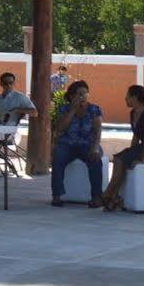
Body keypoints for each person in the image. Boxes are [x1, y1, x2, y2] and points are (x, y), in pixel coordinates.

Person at [103, 83, 144, 211]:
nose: (125, 98)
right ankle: (114, 197)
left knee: (120, 160)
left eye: (128, 96)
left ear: (135, 97)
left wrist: (141, 160)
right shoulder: (133, 113)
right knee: (119, 160)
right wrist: (130, 153)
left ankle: (107, 195)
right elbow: (136, 136)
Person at [48, 80, 103, 208]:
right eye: (79, 94)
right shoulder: (64, 109)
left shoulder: (94, 109)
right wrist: (72, 110)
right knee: (57, 159)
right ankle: (57, 196)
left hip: (87, 144)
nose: (82, 97)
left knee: (95, 161)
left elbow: (98, 131)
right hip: (68, 143)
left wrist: (95, 148)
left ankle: (96, 197)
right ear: (72, 96)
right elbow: (60, 129)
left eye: (85, 94)